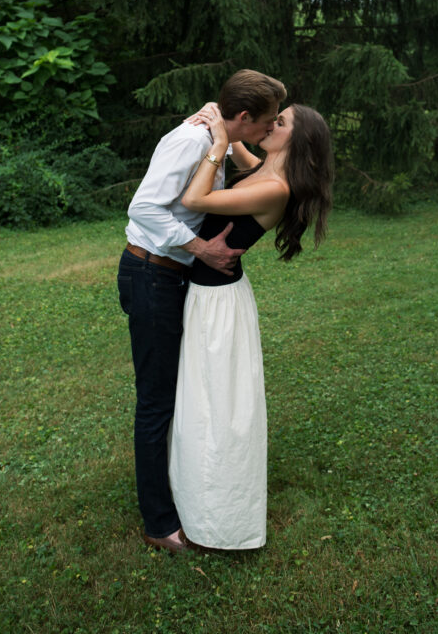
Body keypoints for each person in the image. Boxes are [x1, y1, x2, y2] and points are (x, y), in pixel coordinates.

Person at [117, 70, 287, 554]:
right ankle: (158, 522)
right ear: (244, 117)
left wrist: (227, 141)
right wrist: (201, 248)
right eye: (267, 122)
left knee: (174, 393)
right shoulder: (192, 141)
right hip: (151, 273)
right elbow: (144, 208)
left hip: (171, 276)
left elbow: (244, 169)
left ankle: (183, 489)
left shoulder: (218, 136)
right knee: (155, 400)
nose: (270, 129)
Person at [168, 101, 333, 551]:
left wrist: (219, 144)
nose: (270, 123)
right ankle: (192, 500)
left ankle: (222, 522)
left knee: (218, 409)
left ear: (295, 141)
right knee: (200, 403)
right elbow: (246, 146)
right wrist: (223, 122)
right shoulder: (264, 168)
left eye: (280, 122)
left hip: (218, 305)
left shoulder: (275, 187)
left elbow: (194, 200)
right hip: (209, 296)